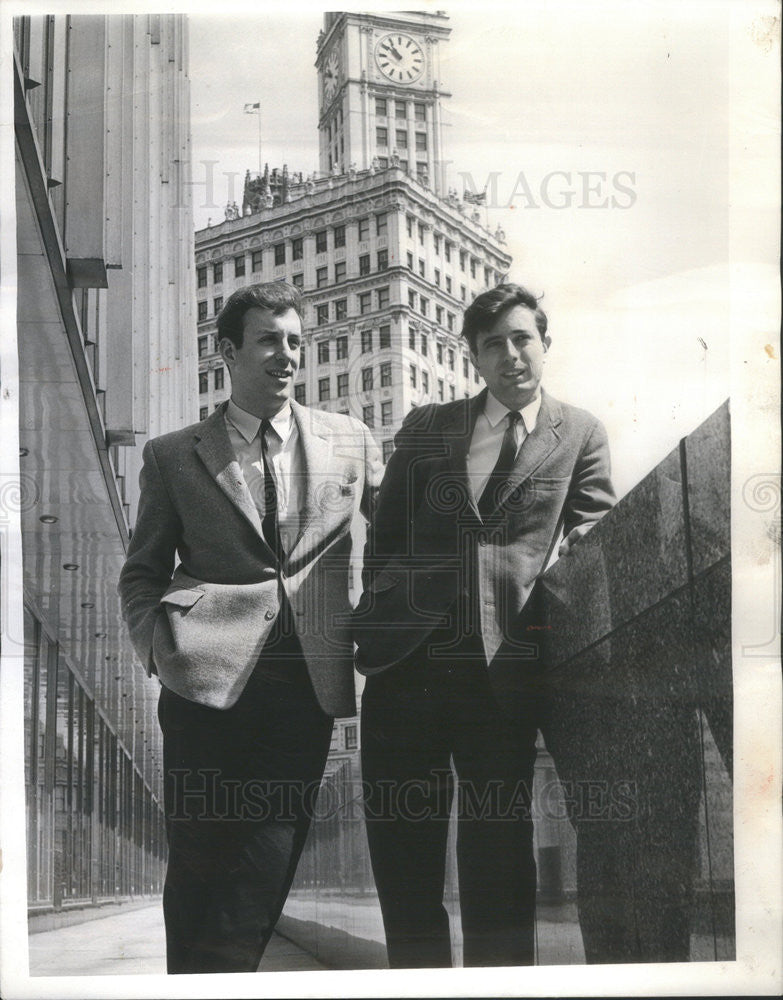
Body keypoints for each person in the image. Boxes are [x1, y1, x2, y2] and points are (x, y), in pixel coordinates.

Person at [119, 282, 381, 973]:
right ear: (227, 353)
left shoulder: (350, 440)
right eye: (268, 339)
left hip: (306, 679)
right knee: (199, 855)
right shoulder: (175, 454)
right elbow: (141, 570)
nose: (286, 355)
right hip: (202, 681)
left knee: (270, 849)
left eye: (295, 341)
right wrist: (159, 649)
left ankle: (222, 981)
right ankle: (193, 983)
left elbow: (403, 538)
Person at [354, 282, 616, 968]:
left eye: (521, 338)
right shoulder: (427, 424)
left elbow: (593, 537)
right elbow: (383, 537)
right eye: (492, 343)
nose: (509, 354)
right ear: (472, 355)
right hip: (404, 666)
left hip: (503, 670)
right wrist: (385, 610)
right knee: (402, 849)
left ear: (544, 344)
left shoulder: (580, 432)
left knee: (497, 848)